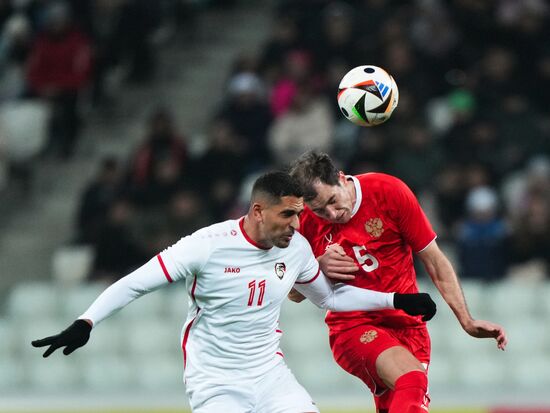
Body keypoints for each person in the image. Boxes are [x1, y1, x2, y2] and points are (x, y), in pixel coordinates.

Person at [32, 171, 436, 413]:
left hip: (270, 375)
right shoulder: (206, 246)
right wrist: (87, 321)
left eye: (300, 214)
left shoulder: (295, 249)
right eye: (288, 215)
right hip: (215, 380)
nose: (298, 225)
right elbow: (136, 283)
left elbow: (329, 298)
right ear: (258, 211)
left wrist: (396, 301)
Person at [288, 151, 508, 413]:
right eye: (320, 211)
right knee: (412, 379)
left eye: (333, 201)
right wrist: (317, 267)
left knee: (405, 403)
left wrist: (467, 320)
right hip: (353, 325)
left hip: (409, 325)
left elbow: (435, 260)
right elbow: (293, 294)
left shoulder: (388, 192)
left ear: (341, 178)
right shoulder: (304, 223)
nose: (331, 214)